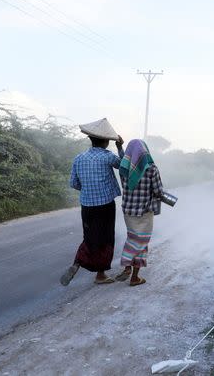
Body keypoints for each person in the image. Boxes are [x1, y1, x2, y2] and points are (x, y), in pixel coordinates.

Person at [61, 118, 124, 286]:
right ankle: (101, 275)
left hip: (87, 206)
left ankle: (77, 262)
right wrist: (119, 147)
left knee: (89, 237)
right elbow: (125, 167)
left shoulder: (79, 158)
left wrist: (88, 188)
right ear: (105, 142)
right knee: (105, 238)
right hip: (105, 206)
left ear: (91, 140)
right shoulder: (108, 156)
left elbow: (74, 183)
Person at [114, 139, 164, 287]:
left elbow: (124, 158)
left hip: (128, 211)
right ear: (145, 152)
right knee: (141, 243)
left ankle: (128, 268)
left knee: (132, 238)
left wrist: (119, 147)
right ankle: (134, 277)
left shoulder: (124, 168)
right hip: (144, 212)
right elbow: (158, 191)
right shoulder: (151, 169)